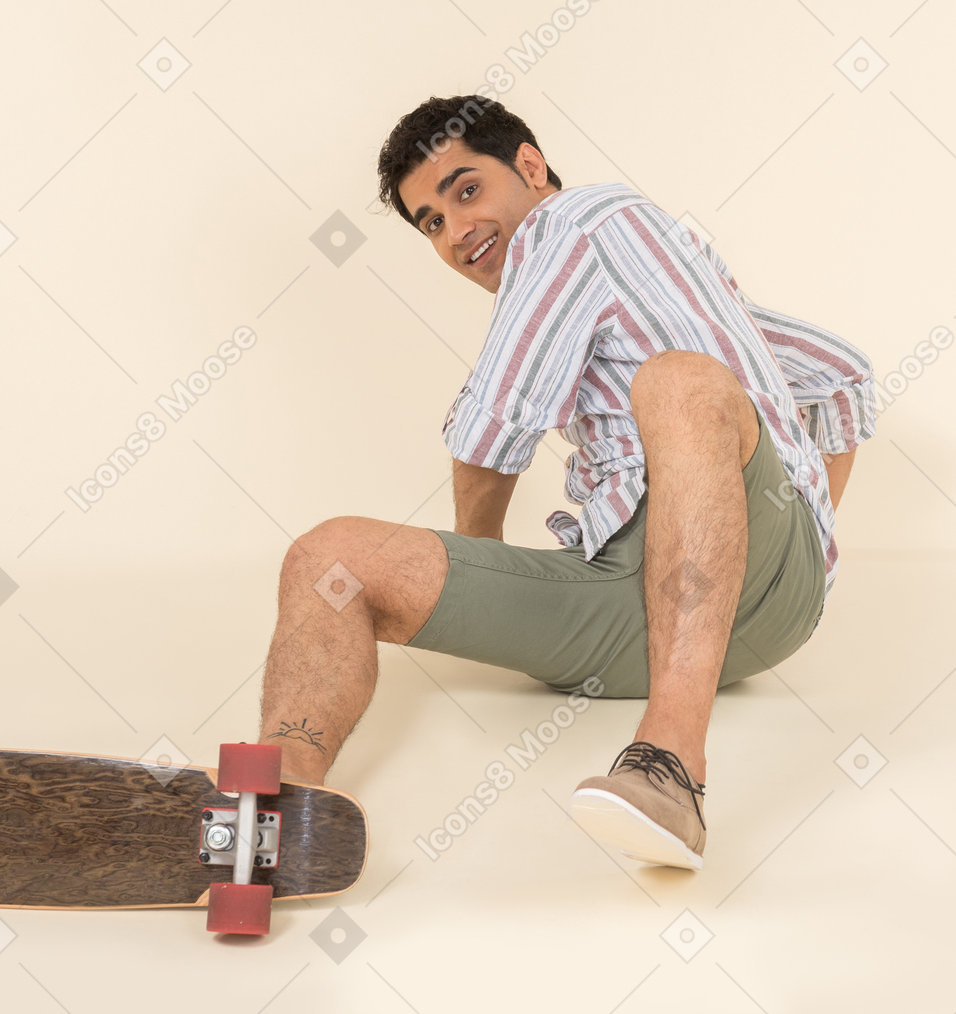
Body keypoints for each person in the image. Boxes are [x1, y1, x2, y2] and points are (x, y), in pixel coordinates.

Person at [257, 95, 875, 869]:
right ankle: (270, 810)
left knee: (678, 383)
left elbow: (498, 418)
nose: (455, 231)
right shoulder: (662, 271)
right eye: (432, 223)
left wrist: (795, 535)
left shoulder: (582, 220)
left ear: (530, 165)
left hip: (762, 577)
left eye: (465, 190)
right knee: (329, 560)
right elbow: (842, 377)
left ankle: (671, 769)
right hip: (643, 611)